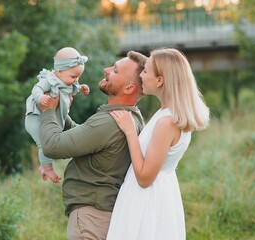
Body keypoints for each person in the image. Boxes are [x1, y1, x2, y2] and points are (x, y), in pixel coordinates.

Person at [38, 51, 148, 239]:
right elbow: (85, 138)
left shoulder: (108, 122)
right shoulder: (131, 116)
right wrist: (61, 113)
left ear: (129, 88)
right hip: (102, 213)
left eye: (115, 70)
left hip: (91, 218)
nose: (106, 70)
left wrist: (48, 111)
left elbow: (52, 146)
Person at [107, 48, 210, 240]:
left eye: (145, 71)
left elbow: (145, 178)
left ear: (160, 81)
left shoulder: (167, 122)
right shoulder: (166, 114)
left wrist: (130, 132)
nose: (141, 76)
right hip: (157, 195)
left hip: (148, 201)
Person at [25, 47, 90, 183]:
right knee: (44, 143)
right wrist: (40, 97)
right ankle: (48, 169)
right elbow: (36, 88)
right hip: (35, 117)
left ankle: (43, 166)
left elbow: (71, 88)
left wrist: (81, 88)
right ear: (59, 72)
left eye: (78, 77)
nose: (75, 80)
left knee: (56, 136)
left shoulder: (66, 80)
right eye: (74, 77)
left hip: (52, 115)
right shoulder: (49, 80)